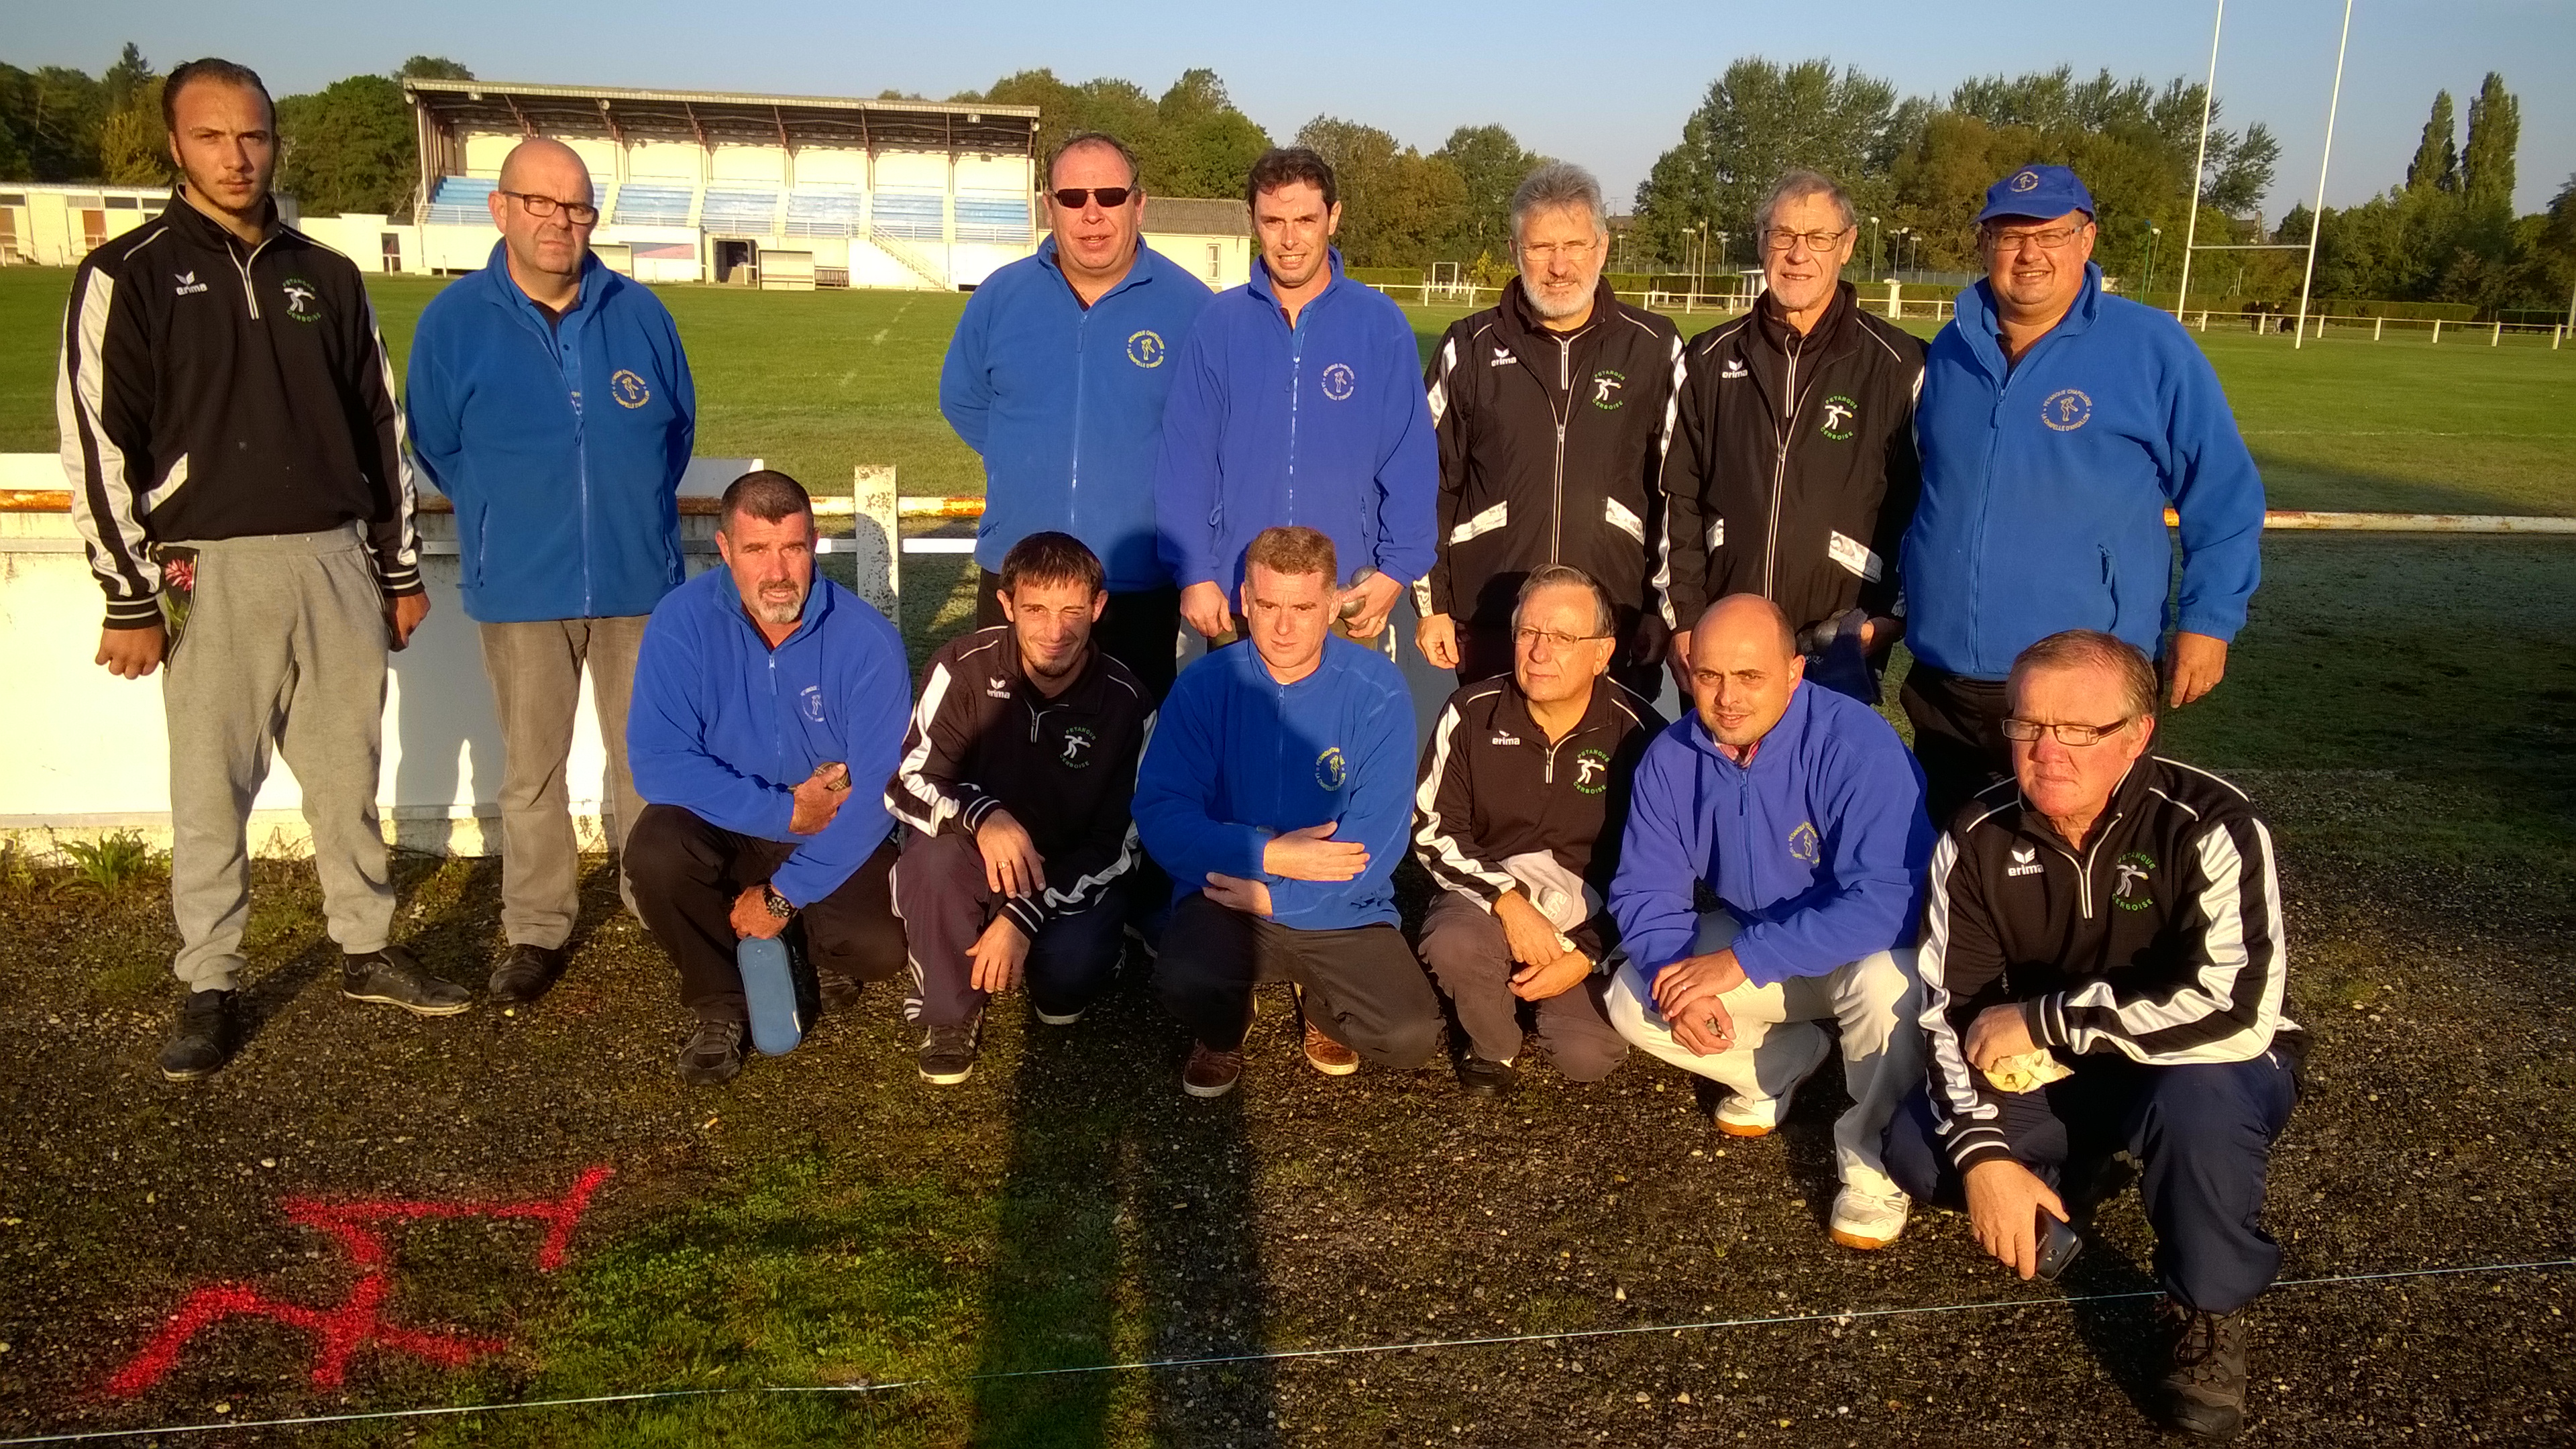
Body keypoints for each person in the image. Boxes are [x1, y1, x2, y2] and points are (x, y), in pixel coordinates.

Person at [59, 57, 463, 1082]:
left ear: (274, 141)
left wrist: (398, 571)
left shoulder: (325, 273)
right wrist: (130, 594)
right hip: (204, 571)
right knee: (210, 787)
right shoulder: (127, 274)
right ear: (175, 146)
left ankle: (366, 948)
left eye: (253, 136)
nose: (237, 157)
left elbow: (379, 427)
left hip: (333, 559)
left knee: (346, 778)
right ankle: (211, 980)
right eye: (212, 137)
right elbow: (98, 444)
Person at [1881, 629, 2300, 1440]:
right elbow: (1948, 1012)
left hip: (2208, 1060)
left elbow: (2235, 1008)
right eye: (2028, 724)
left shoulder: (2212, 822)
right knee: (1920, 1152)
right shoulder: (1975, 833)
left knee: (2198, 1105)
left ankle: (2207, 1307)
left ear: (2137, 733)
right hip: (2062, 1066)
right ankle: (2078, 1167)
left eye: (2079, 729)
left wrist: (2044, 1017)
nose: (2048, 749)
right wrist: (1987, 1159)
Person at [406, 136, 696, 1005]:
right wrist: (514, 516)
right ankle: (536, 928)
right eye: (541, 203)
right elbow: (437, 443)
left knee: (650, 761)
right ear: (500, 209)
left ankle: (661, 908)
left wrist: (619, 511)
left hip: (638, 582)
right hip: (522, 585)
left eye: (576, 207)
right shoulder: (455, 323)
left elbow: (673, 434)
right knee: (531, 769)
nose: (559, 222)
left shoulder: (639, 313)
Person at [1901, 164, 2265, 824]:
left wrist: (2210, 621)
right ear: (1985, 244)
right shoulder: (1951, 350)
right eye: (2010, 235)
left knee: (2080, 863)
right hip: (1953, 683)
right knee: (1958, 866)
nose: (2029, 253)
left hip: (2085, 685)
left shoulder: (2151, 346)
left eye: (2052, 234)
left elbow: (2224, 491)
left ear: (2087, 239)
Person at [1605, 594, 1933, 1250]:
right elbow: (1644, 889)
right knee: (1633, 995)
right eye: (1709, 675)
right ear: (1687, 671)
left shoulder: (1857, 743)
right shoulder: (1672, 756)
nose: (1727, 697)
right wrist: (1675, 972)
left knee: (1888, 987)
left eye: (1750, 676)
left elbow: (1888, 902)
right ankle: (1778, 1066)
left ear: (1793, 671)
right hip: (1764, 942)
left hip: (1857, 948)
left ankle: (1873, 1163)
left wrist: (1740, 962)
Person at [624, 472, 910, 1086]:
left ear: (815, 545)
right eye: (756, 550)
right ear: (725, 549)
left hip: (829, 826)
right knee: (655, 850)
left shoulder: (867, 639)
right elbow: (657, 761)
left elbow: (882, 791)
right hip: (734, 821)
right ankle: (719, 1004)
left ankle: (806, 938)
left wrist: (784, 894)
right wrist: (783, 811)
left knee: (881, 947)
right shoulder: (682, 620)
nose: (778, 571)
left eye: (794, 548)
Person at [1133, 525, 1440, 1097]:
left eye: (1302, 607)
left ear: (1332, 605)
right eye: (1268, 604)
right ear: (1244, 601)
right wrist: (1269, 853)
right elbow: (1162, 815)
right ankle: (1226, 1027)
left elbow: (1380, 836)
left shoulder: (1379, 690)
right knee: (1183, 978)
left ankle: (1322, 1006)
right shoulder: (1204, 685)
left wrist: (1278, 898)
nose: (1282, 625)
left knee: (1409, 1035)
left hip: (1341, 904)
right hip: (1224, 894)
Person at [938, 131, 1214, 701]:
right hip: (1019, 576)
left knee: (1125, 764)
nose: (1092, 214)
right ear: (1049, 206)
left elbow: (1211, 433)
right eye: (1073, 198)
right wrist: (1022, 458)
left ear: (1139, 204)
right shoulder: (1000, 296)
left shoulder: (1192, 308)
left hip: (1133, 586)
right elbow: (962, 398)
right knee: (1005, 747)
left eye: (1110, 196)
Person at [888, 532, 1155, 1085]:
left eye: (1072, 611)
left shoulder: (1127, 701)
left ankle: (1065, 946)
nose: (1054, 631)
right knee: (929, 862)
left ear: (1098, 608)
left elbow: (1123, 839)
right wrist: (984, 815)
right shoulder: (961, 667)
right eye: (1034, 609)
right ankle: (948, 1014)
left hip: (1067, 865)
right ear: (1007, 605)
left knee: (1063, 989)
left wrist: (1025, 911)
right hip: (974, 853)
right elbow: (909, 783)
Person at [1660, 168, 1924, 707]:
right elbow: (1676, 498)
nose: (1798, 254)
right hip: (1725, 646)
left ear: (1847, 244)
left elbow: (1923, 507)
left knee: (1823, 787)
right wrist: (1685, 619)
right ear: (1762, 243)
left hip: (1839, 642)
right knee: (1721, 787)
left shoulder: (1901, 364)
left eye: (1818, 238)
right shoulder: (1709, 358)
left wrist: (1887, 618)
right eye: (1783, 235)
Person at [1155, 148, 1436, 651]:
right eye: (1273, 220)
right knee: (1237, 730)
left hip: (1345, 593)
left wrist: (1396, 571)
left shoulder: (1380, 323)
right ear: (1252, 221)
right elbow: (1185, 460)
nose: (1289, 239)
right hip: (1240, 595)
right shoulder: (1219, 324)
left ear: (1334, 216)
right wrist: (1195, 571)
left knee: (1339, 732)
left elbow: (1410, 460)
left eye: (1305, 219)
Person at [1415, 163, 1682, 694]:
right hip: (1493, 624)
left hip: (1615, 626)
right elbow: (1427, 482)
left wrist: (1662, 609)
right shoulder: (1467, 346)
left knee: (1615, 773)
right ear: (1515, 251)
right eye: (1540, 248)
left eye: (1575, 246)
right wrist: (1435, 605)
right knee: (1498, 771)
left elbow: (1679, 493)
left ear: (1602, 249)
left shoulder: (1653, 347)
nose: (1559, 266)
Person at [1413, 566, 1662, 1095]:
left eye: (1565, 638)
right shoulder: (1470, 711)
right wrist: (1508, 901)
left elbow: (1662, 868)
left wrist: (1589, 952)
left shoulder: (1642, 734)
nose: (1540, 652)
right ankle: (1493, 1040)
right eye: (1529, 633)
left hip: (1591, 915)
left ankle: (1545, 998)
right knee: (1454, 944)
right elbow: (1433, 829)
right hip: (1491, 901)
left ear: (1603, 652)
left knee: (1585, 1056)